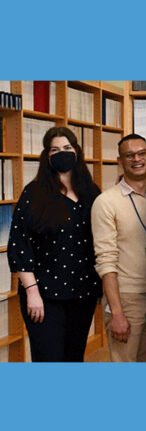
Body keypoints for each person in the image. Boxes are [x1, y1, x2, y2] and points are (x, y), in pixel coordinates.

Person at [7, 127, 102, 361]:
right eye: (55, 149)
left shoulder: (91, 192)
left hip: (83, 293)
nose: (62, 153)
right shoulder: (34, 193)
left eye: (67, 148)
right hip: (44, 295)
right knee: (49, 359)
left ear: (77, 152)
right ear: (47, 156)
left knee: (73, 357)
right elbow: (19, 244)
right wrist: (32, 292)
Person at [92, 133, 146, 362]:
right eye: (129, 155)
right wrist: (117, 312)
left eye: (142, 153)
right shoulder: (106, 202)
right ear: (119, 161)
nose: (137, 159)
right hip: (127, 297)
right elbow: (105, 260)